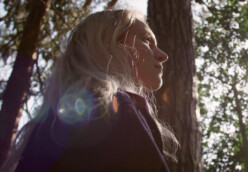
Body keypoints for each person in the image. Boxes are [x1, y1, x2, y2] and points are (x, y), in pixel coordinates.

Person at [1, 9, 179, 172]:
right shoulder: (114, 109)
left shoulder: (48, 125)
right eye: (147, 40)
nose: (163, 55)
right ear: (108, 44)